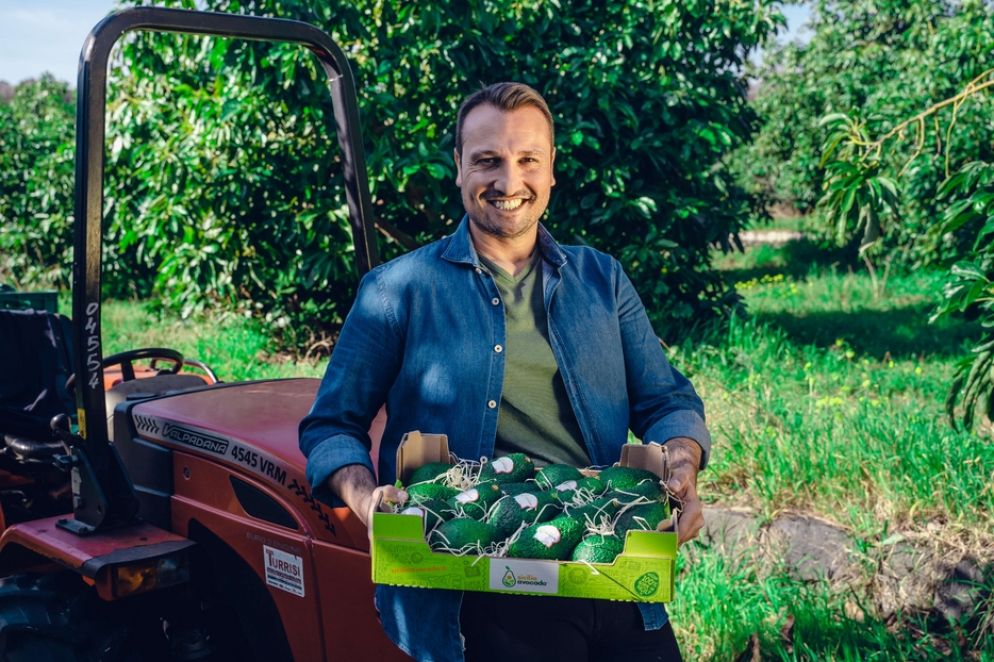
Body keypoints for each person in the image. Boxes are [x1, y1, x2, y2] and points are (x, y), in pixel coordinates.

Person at [299, 81, 710, 662]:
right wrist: (369, 502)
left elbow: (666, 401)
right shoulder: (397, 291)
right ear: (459, 168)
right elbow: (331, 426)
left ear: (551, 171)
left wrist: (682, 462)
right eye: (488, 160)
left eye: (527, 161)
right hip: (472, 581)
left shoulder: (603, 281)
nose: (509, 182)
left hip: (609, 557)